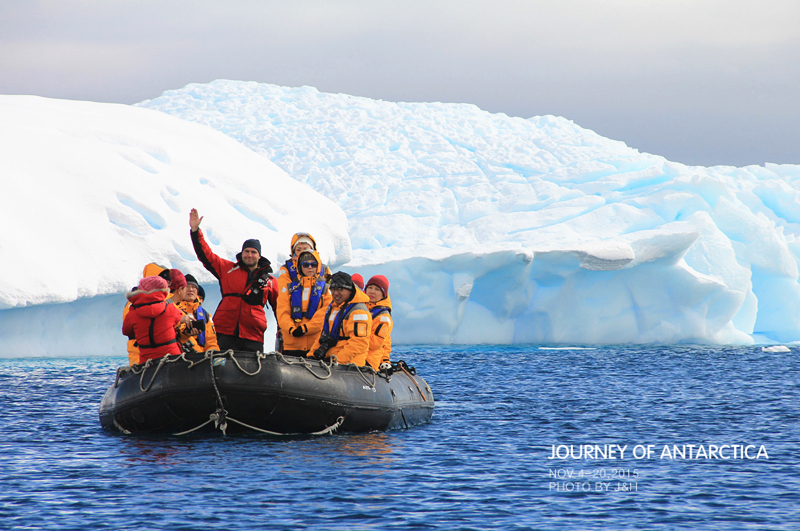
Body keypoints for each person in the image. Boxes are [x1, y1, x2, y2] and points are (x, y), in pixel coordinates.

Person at [189, 208, 277, 352]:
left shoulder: (271, 280)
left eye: (253, 252)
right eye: (246, 251)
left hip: (253, 334)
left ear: (259, 256)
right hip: (224, 330)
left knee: (252, 372)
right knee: (220, 368)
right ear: (241, 253)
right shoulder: (227, 268)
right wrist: (195, 230)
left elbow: (279, 308)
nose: (249, 255)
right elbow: (206, 256)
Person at [276, 232, 331, 349]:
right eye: (298, 249)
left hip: (315, 339)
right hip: (292, 335)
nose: (310, 267)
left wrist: (307, 328)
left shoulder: (325, 271)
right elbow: (283, 302)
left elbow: (328, 306)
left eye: (305, 248)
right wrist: (290, 328)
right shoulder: (286, 270)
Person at [307, 272, 371, 366]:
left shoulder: (359, 312)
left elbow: (359, 343)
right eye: (333, 289)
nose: (335, 293)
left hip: (349, 366)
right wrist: (311, 356)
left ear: (350, 290)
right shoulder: (334, 308)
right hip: (330, 361)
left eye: (340, 290)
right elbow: (322, 336)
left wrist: (338, 361)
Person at [123, 276, 189, 362]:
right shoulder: (171, 309)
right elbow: (179, 319)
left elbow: (127, 331)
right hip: (172, 358)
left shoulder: (132, 313)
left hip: (147, 360)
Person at [123, 263, 171, 366]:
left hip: (157, 352)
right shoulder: (133, 304)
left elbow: (126, 329)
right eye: (164, 280)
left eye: (168, 281)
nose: (166, 284)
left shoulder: (133, 303)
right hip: (140, 351)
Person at [177, 274, 219, 353]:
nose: (191, 290)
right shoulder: (173, 308)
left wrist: (212, 354)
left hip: (203, 357)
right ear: (180, 290)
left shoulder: (205, 314)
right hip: (182, 355)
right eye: (187, 287)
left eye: (194, 287)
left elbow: (211, 340)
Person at [364, 275, 393, 372]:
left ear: (383, 294)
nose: (372, 291)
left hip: (368, 361)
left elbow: (376, 343)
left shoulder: (383, 317)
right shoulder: (360, 306)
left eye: (377, 289)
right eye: (370, 287)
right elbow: (387, 341)